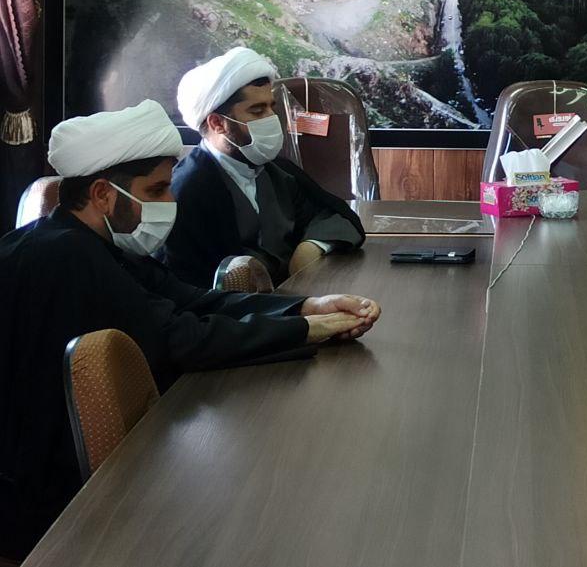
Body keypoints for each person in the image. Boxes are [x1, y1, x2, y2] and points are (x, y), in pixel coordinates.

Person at [0, 100, 380, 560]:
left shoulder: (88, 241)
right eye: (157, 189)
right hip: (40, 508)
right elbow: (180, 338)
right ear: (102, 195)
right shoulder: (65, 256)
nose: (170, 201)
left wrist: (305, 306)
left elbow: (195, 300)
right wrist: (306, 331)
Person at [166, 47, 365, 287]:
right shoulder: (188, 189)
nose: (271, 118)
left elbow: (330, 215)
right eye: (257, 111)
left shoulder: (277, 172)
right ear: (218, 123)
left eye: (272, 107)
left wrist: (312, 246)